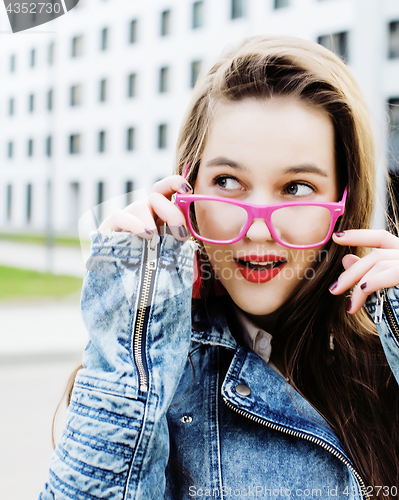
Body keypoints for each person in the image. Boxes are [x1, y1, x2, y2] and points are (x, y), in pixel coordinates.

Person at [40, 35, 399, 500]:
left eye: (297, 187)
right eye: (228, 181)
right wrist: (132, 324)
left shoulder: (384, 364)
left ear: (343, 202)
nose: (258, 229)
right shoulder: (151, 371)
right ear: (185, 193)